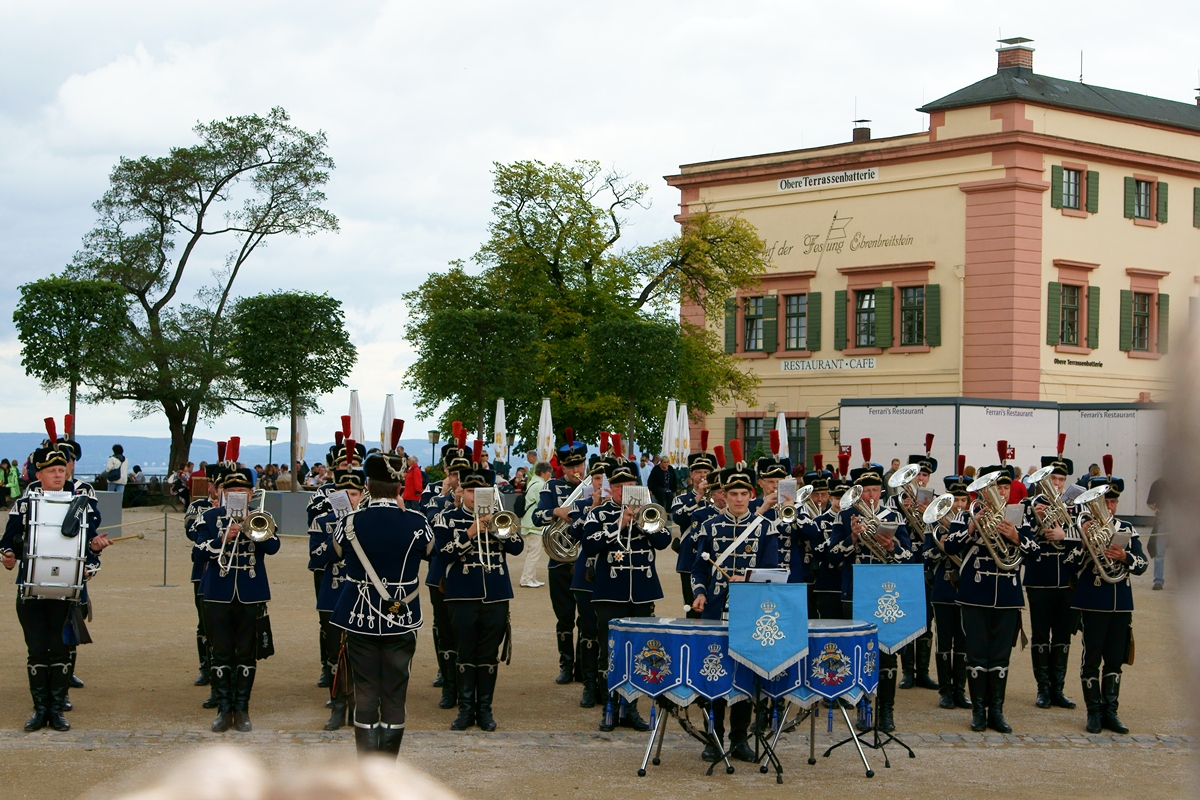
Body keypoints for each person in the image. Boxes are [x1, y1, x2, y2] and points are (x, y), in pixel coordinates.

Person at [2, 422, 111, 732]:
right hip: (31, 589)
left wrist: (95, 550)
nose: (59, 473)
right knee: (37, 650)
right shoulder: (25, 505)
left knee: (61, 650)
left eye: (62, 469)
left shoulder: (82, 506)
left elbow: (89, 551)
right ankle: (40, 711)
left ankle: (57, 709)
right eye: (52, 470)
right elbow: (6, 543)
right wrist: (7, 556)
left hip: (66, 591)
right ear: (39, 475)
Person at [330, 443, 432, 757]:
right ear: (400, 486)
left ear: (368, 487)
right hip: (401, 617)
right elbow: (430, 552)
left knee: (366, 693)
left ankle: (367, 767)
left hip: (359, 617)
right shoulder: (418, 523)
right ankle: (387, 767)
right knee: (395, 694)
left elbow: (337, 553)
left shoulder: (349, 523)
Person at [690, 440, 780, 762]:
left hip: (751, 611)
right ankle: (714, 739)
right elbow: (698, 567)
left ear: (751, 496)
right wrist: (699, 592)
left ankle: (739, 738)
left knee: (745, 676)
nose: (739, 499)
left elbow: (774, 570)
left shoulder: (766, 527)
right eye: (733, 494)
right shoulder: (709, 526)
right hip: (715, 608)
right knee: (713, 672)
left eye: (744, 495)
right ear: (724, 496)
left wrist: (750, 577)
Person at [434, 440, 523, 732]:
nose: (475, 496)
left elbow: (517, 547)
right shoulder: (448, 518)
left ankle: (485, 710)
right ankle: (465, 710)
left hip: (496, 594)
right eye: (470, 491)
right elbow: (443, 554)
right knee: (464, 652)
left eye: (481, 491)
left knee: (488, 655)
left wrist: (500, 530)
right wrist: (472, 531)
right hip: (461, 593)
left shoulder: (500, 517)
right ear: (462, 493)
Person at [943, 462, 1038, 734]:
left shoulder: (1019, 516)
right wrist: (973, 528)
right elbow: (950, 545)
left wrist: (1016, 536)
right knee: (976, 655)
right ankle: (978, 711)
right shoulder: (966, 514)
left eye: (1006, 486)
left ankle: (996, 710)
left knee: (1000, 657)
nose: (1002, 492)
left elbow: (1035, 551)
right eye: (996, 487)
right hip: (975, 593)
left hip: (1008, 594)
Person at [193, 437, 280, 732]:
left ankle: (242, 709)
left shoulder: (261, 517)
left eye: (242, 490)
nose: (236, 494)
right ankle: (223, 709)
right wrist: (223, 538)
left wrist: (253, 528)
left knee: (246, 652)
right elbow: (197, 552)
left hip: (251, 591)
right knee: (221, 652)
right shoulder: (210, 516)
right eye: (231, 490)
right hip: (217, 591)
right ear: (222, 493)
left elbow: (274, 548)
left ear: (251, 492)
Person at [582, 435, 668, 733]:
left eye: (628, 486)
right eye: (617, 486)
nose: (622, 491)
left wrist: (643, 520)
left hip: (641, 592)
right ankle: (609, 708)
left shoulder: (649, 512)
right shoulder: (599, 513)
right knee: (611, 652)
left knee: (638, 652)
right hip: (610, 591)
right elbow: (591, 545)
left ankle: (629, 709)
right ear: (610, 488)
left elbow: (664, 540)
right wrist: (620, 523)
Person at [828, 441, 915, 733]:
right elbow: (831, 557)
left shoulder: (895, 516)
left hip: (886, 592)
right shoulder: (844, 517)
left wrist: (891, 546)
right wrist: (851, 539)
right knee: (857, 653)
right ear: (856, 492)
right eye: (865, 490)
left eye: (875, 490)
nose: (870, 495)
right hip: (854, 590)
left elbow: (909, 556)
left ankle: (886, 710)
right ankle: (862, 707)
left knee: (888, 653)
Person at [1070, 466, 1148, 734]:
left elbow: (1142, 564)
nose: (1110, 507)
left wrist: (1125, 557)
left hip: (1121, 602)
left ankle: (1110, 712)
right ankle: (1093, 712)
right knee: (1091, 658)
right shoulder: (1083, 526)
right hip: (1093, 601)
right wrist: (1084, 544)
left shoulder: (1126, 528)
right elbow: (1070, 565)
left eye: (1113, 501)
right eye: (1105, 502)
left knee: (1115, 660)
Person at [310, 466, 365, 730]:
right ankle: (337, 706)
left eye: (353, 493)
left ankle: (355, 706)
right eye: (344, 493)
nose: (349, 498)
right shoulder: (321, 522)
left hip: (362, 595)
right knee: (334, 653)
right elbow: (316, 558)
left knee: (359, 653)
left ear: (362, 494)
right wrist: (338, 534)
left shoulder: (369, 521)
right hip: (332, 594)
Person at [531, 431, 589, 682]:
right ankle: (566, 664)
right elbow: (537, 517)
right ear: (562, 466)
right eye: (570, 465)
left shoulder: (594, 486)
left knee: (588, 618)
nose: (575, 469)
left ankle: (586, 667)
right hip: (560, 560)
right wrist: (556, 510)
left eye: (579, 464)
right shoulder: (551, 487)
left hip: (587, 560)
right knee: (564, 617)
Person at [1026, 443, 1080, 711]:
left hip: (1067, 581)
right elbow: (1021, 539)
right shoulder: (1030, 506)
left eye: (1061, 479)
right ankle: (1042, 689)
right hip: (1040, 579)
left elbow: (1086, 539)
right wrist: (1038, 527)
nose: (1057, 483)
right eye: (1053, 479)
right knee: (1040, 636)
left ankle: (1058, 689)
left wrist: (1064, 536)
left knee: (1063, 637)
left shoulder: (1075, 507)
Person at [423, 435, 471, 711]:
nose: (457, 477)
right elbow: (428, 523)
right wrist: (445, 497)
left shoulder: (477, 492)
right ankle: (446, 676)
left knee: (465, 627)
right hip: (440, 570)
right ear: (446, 471)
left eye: (461, 473)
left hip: (468, 571)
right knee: (443, 627)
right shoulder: (433, 492)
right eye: (453, 472)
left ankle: (464, 682)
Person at [922, 466, 972, 710]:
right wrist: (940, 548)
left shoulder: (972, 524)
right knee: (944, 641)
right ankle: (945, 691)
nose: (959, 505)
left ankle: (960, 690)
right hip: (942, 587)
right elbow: (926, 555)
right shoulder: (935, 526)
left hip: (966, 589)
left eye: (963, 499)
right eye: (955, 500)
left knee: (963, 642)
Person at [890, 444, 939, 691]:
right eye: (917, 474)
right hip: (905, 566)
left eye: (924, 475)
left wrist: (928, 514)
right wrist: (904, 512)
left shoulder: (936, 500)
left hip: (927, 564)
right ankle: (908, 671)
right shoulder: (894, 501)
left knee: (927, 620)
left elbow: (941, 532)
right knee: (907, 619)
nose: (920, 479)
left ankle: (923, 671)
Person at [184, 451, 223, 709]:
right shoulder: (198, 507)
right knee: (204, 623)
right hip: (203, 572)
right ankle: (205, 667)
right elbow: (190, 532)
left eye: (220, 485)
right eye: (214, 484)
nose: (215, 488)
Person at [670, 433, 716, 620]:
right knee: (693, 608)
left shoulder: (720, 498)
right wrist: (698, 498)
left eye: (706, 472)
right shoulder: (682, 499)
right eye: (698, 472)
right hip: (689, 558)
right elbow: (679, 518)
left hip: (715, 558)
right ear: (691, 474)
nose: (703, 475)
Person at [519, 461, 551, 588]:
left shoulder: (533, 481)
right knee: (534, 552)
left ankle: (531, 577)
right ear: (543, 473)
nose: (550, 475)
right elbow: (542, 504)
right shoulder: (540, 485)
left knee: (533, 551)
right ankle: (526, 578)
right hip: (533, 523)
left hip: (529, 520)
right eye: (549, 472)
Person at [1146, 476, 1167, 589]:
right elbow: (1149, 503)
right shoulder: (1158, 484)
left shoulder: (1158, 483)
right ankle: (1158, 581)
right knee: (1159, 552)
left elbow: (1149, 504)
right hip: (1165, 520)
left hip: (1178, 519)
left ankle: (1158, 581)